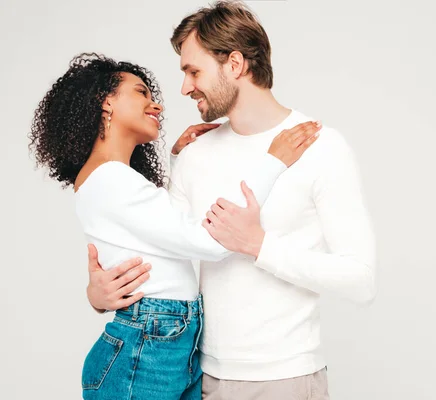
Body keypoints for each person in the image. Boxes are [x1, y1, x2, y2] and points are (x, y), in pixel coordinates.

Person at [86, 1, 377, 399]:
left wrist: (258, 245)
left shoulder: (320, 146)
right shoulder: (195, 151)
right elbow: (164, 249)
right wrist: (101, 295)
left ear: (235, 64)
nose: (184, 88)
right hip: (199, 377)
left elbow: (361, 281)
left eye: (193, 71)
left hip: (286, 381)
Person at [28, 53, 320, 399]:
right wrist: (274, 162)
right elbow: (210, 242)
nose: (157, 106)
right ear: (106, 102)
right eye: (141, 93)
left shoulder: (111, 179)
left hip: (161, 343)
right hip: (148, 349)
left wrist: (176, 160)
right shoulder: (111, 180)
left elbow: (158, 235)